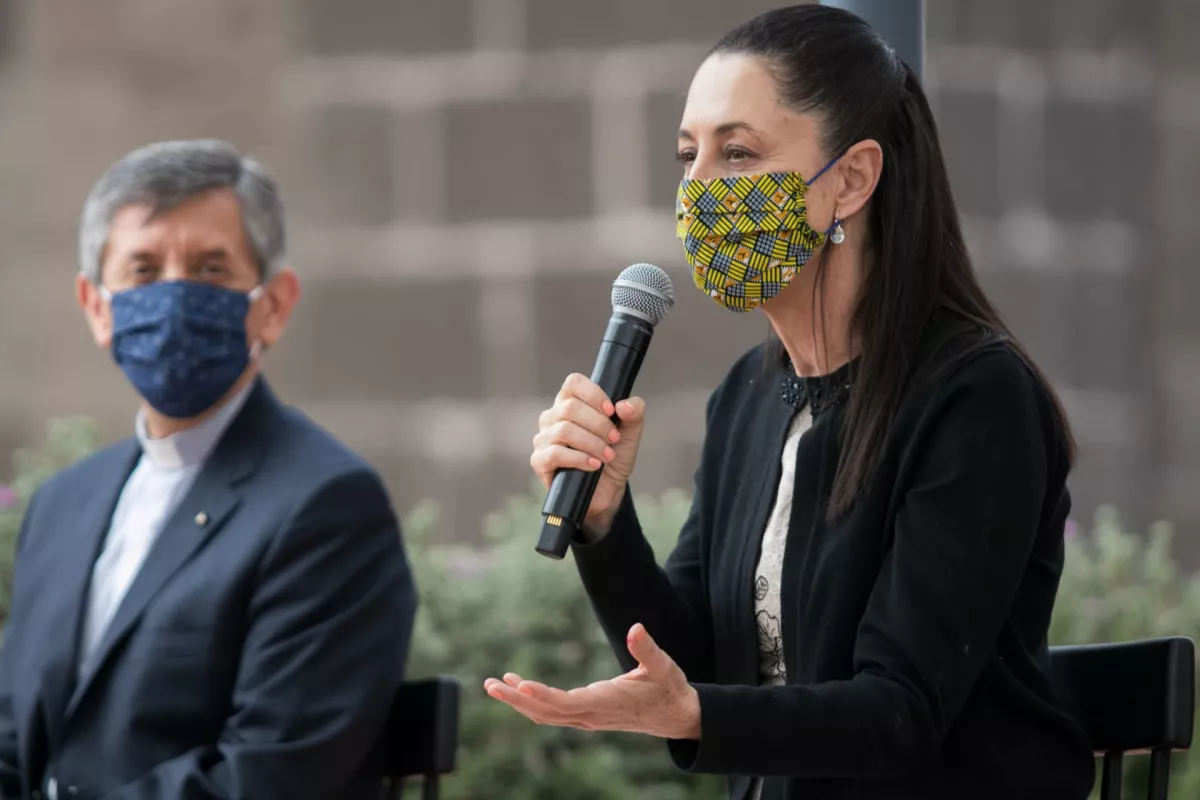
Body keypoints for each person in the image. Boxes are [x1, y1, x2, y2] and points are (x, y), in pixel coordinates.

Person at [485, 6, 1096, 800]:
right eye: (687, 155)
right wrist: (604, 520)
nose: (697, 189)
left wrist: (700, 712)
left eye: (737, 153)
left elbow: (900, 712)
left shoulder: (976, 397)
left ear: (851, 179)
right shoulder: (747, 397)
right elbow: (699, 669)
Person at [0, 140, 416, 799]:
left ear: (273, 304)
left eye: (210, 268)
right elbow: (13, 739)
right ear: (97, 307)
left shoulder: (326, 506)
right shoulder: (62, 506)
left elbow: (270, 776)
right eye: (142, 268)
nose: (173, 294)